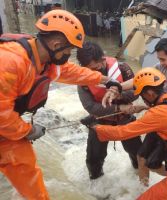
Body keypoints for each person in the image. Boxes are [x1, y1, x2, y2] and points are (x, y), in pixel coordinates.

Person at [0, 10, 110, 199]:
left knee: (32, 181)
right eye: (69, 49)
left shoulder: (44, 59)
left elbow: (72, 72)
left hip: (8, 129)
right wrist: (27, 131)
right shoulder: (10, 62)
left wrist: (104, 79)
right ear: (56, 44)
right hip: (6, 124)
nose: (70, 54)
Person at [94, 67, 167, 199]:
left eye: (142, 95)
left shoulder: (158, 113)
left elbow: (122, 132)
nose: (142, 99)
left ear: (150, 93)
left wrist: (96, 127)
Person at [102, 38, 167, 186]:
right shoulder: (161, 67)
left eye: (163, 59)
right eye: (159, 59)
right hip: (158, 119)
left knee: (153, 163)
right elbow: (140, 80)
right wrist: (117, 87)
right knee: (141, 157)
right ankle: (142, 188)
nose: (160, 63)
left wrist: (146, 109)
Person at [76, 41, 143, 194]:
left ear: (102, 59)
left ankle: (139, 185)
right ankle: (97, 190)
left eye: (96, 66)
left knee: (138, 155)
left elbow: (137, 90)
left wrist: (120, 93)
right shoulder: (83, 80)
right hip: (99, 122)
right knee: (94, 160)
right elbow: (90, 107)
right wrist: (119, 107)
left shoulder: (123, 69)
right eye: (90, 69)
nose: (95, 72)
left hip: (125, 120)